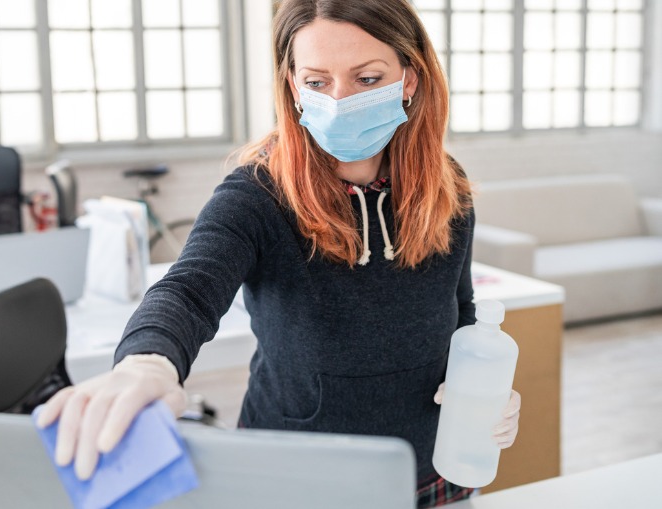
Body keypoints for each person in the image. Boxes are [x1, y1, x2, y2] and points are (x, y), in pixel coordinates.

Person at [37, 0, 521, 506]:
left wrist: (484, 392)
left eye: (367, 77)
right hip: (293, 477)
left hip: (428, 470)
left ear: (410, 78)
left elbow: (462, 314)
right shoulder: (258, 194)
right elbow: (188, 290)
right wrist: (146, 364)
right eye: (317, 82)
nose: (340, 99)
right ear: (293, 86)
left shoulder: (446, 187)